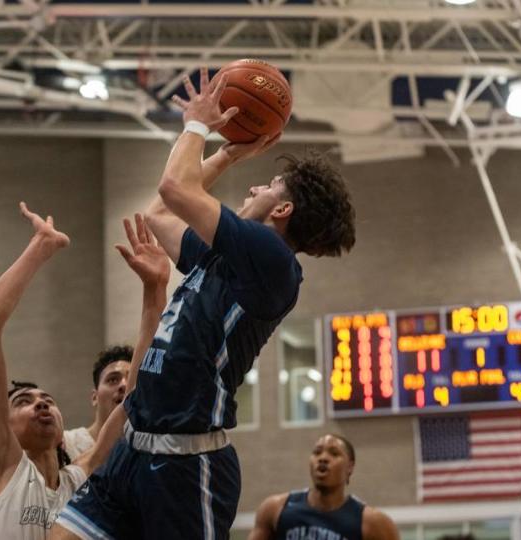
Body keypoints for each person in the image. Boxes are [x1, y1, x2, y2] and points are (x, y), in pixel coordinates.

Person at [52, 67, 356, 539]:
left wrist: (197, 125)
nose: (255, 188)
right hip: (133, 449)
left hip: (185, 463)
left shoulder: (271, 259)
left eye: (269, 185)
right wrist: (228, 153)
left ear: (282, 211)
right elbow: (158, 213)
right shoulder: (226, 255)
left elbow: (177, 188)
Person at [0, 205, 169, 539]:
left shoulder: (78, 478)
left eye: (47, 399)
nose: (41, 405)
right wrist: (40, 246)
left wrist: (154, 291)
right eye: (23, 401)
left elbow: (135, 396)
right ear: (2, 426)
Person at [248, 434, 399, 540]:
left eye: (334, 454)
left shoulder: (373, 523)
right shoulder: (275, 508)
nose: (323, 458)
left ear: (350, 467)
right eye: (317, 452)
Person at [63, 345, 134, 460]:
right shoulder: (67, 443)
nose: (124, 385)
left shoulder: (150, 450)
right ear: (94, 397)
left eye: (131, 380)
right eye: (113, 379)